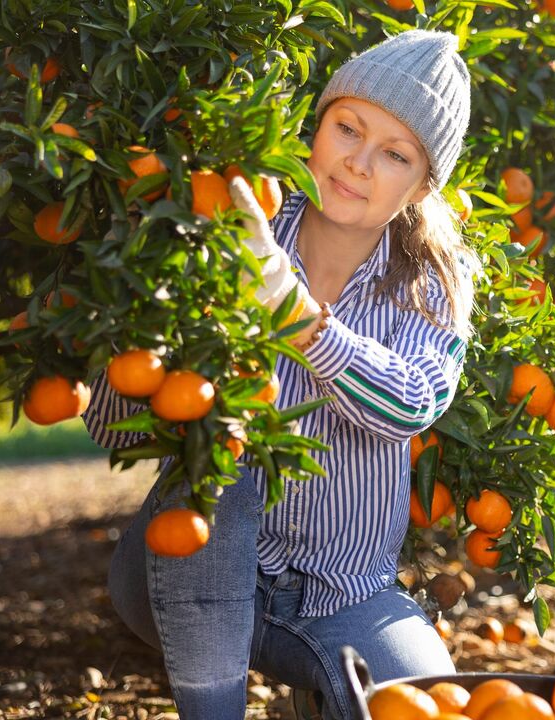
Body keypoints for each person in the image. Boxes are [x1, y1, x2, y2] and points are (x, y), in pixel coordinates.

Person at [82, 30, 477, 720]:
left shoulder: (433, 283)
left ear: (421, 185)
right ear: (315, 129)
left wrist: (293, 313)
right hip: (182, 574)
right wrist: (142, 311)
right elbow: (109, 424)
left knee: (429, 706)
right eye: (347, 128)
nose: (358, 162)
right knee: (223, 453)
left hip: (344, 597)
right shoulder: (227, 220)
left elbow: (412, 404)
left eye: (394, 153)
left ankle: (323, 686)